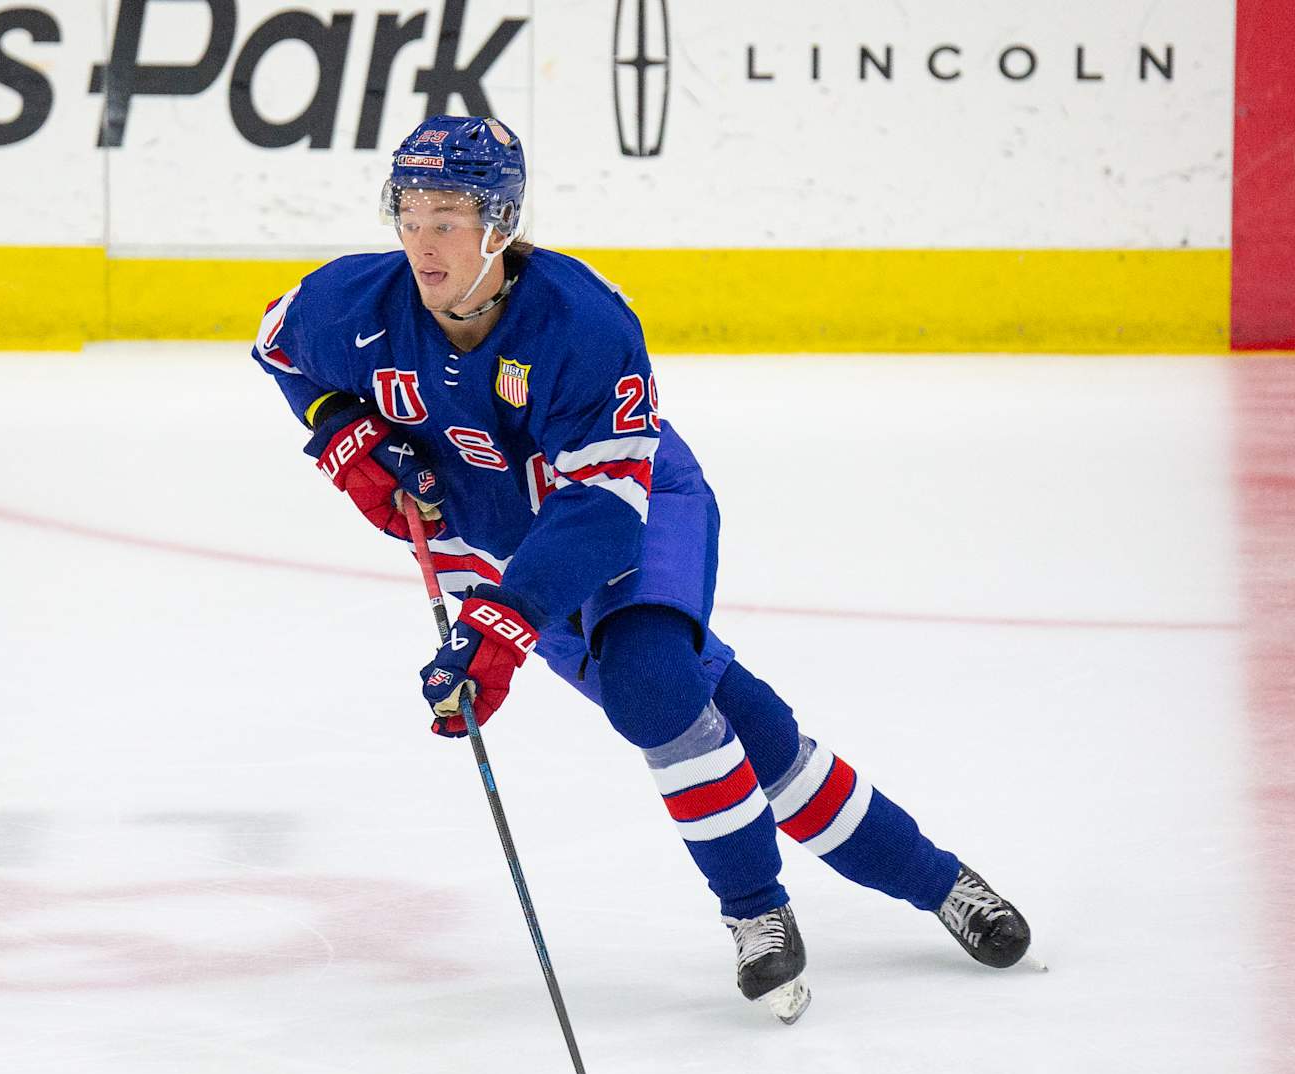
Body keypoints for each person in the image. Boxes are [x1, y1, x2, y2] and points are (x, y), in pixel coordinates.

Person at [252, 114, 1032, 1023]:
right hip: (498, 544)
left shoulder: (583, 322)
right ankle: (943, 883)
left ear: (500, 221)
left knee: (649, 682)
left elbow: (601, 515)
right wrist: (343, 434)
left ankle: (758, 914)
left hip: (632, 508)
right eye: (411, 215)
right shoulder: (351, 305)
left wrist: (503, 624)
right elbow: (274, 349)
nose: (425, 243)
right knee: (742, 729)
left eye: (450, 217)